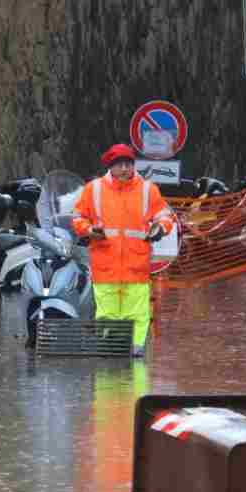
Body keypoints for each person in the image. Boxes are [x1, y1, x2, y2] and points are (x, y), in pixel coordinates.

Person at [72, 143, 175, 358]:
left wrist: (160, 228)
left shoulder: (148, 189)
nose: (125, 169)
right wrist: (90, 230)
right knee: (108, 314)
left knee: (137, 313)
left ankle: (137, 353)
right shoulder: (94, 189)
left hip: (136, 266)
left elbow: (165, 216)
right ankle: (111, 352)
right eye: (120, 165)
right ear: (111, 166)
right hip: (105, 265)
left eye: (128, 164)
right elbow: (78, 218)